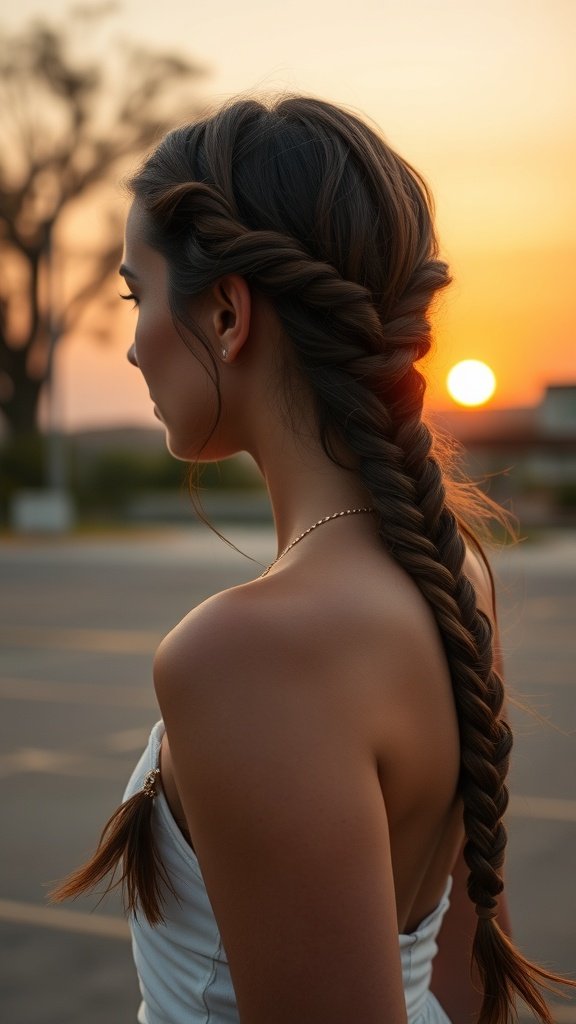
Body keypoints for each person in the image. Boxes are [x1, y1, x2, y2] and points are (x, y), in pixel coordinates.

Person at [50, 94, 573, 1024]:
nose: (131, 350)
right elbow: (455, 984)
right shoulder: (449, 582)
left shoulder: (252, 650)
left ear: (224, 315)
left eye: (138, 295)